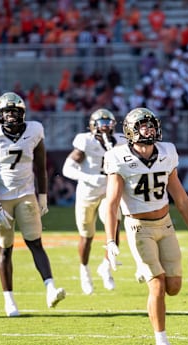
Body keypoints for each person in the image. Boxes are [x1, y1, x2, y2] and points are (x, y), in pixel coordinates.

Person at [103, 107, 188, 345]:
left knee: (174, 287)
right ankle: (161, 342)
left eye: (151, 125)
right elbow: (112, 202)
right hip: (138, 228)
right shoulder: (118, 157)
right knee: (158, 285)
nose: (149, 130)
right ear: (130, 131)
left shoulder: (166, 152)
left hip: (165, 224)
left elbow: (180, 198)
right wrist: (110, 240)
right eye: (143, 126)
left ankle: (146, 269)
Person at [0, 92, 66, 317]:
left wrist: (43, 195)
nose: (10, 116)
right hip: (2, 199)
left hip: (26, 194)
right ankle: (9, 301)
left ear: (22, 113)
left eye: (14, 112)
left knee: (35, 243)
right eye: (6, 112)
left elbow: (41, 167)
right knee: (5, 249)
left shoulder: (34, 131)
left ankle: (50, 289)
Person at [62, 108, 126, 295]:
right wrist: (88, 177)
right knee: (86, 235)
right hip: (87, 191)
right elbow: (67, 168)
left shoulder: (121, 141)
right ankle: (84, 271)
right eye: (101, 124)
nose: (105, 128)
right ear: (93, 126)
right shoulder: (86, 141)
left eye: (108, 124)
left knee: (114, 226)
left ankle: (106, 266)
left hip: (109, 190)